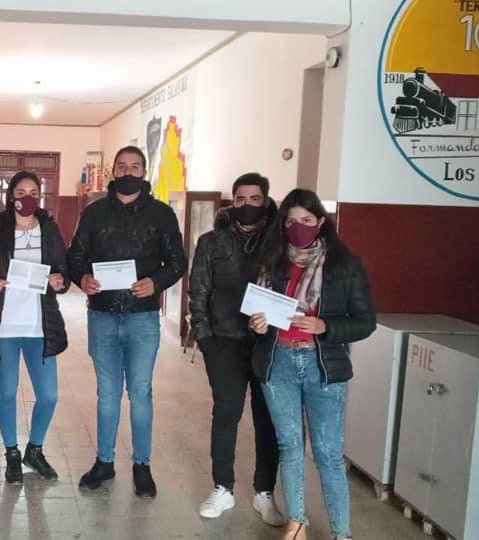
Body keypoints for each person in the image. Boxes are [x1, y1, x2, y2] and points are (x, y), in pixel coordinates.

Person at [249, 189, 375, 540]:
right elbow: (258, 311)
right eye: (291, 221)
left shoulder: (344, 266)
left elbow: (365, 322)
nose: (298, 227)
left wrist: (325, 326)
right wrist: (257, 324)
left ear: (321, 221)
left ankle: (341, 533)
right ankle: (297, 522)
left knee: (328, 453)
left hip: (323, 366)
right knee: (290, 446)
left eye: (306, 220)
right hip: (278, 363)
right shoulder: (272, 261)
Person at [67, 146, 186, 498]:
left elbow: (177, 262)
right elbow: (75, 256)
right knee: (107, 393)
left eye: (135, 166)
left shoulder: (162, 214)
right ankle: (104, 461)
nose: (128, 171)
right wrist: (82, 278)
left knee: (140, 392)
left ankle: (142, 465)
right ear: (113, 172)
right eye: (122, 166)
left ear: (144, 172)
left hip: (142, 317)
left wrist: (156, 282)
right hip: (102, 315)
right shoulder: (93, 213)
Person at [189, 173, 283, 525]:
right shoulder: (211, 242)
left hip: (268, 344)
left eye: (254, 198)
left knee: (267, 419)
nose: (246, 205)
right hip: (223, 342)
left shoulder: (280, 243)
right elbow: (198, 290)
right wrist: (205, 338)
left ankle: (264, 492)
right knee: (226, 413)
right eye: (240, 199)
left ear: (266, 201)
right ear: (233, 201)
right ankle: (222, 488)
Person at [0, 171, 70, 484]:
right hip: (4, 326)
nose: (27, 197)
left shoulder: (49, 228)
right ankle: (12, 453)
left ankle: (34, 450)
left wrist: (59, 281)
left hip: (41, 325)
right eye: (21, 191)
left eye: (34, 192)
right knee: (7, 392)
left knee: (49, 396)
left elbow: (63, 272)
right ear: (11, 195)